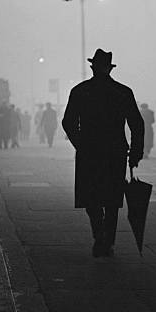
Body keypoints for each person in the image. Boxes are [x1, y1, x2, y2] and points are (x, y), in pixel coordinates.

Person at [63, 49, 144, 258]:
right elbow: (137, 124)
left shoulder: (80, 91)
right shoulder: (123, 92)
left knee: (92, 198)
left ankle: (99, 236)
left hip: (89, 152)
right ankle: (107, 241)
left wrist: (80, 143)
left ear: (93, 67)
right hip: (115, 152)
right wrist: (135, 152)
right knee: (112, 199)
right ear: (110, 68)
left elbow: (68, 122)